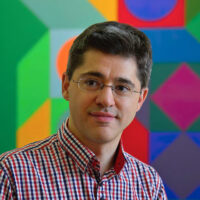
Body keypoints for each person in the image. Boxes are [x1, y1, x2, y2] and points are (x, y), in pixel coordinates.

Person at [0, 21, 167, 199]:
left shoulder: (149, 185)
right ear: (66, 86)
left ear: (140, 99)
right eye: (92, 83)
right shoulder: (11, 176)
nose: (106, 100)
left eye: (122, 88)